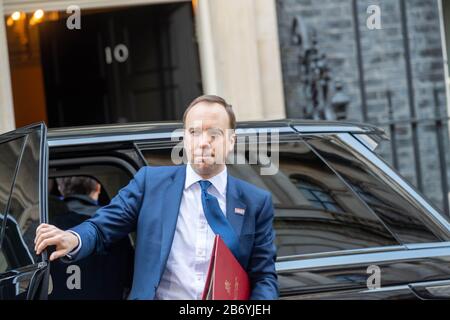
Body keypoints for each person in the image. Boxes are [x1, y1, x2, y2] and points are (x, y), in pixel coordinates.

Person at [35, 94, 278, 300]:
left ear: (231, 141)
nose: (203, 142)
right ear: (184, 137)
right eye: (194, 132)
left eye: (213, 134)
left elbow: (264, 277)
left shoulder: (256, 202)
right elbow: (101, 228)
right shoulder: (150, 183)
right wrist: (73, 238)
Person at [47, 177, 134, 299]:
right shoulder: (115, 228)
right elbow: (131, 279)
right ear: (98, 188)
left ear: (61, 189)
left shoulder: (47, 227)